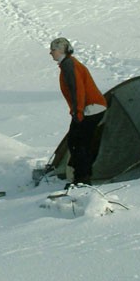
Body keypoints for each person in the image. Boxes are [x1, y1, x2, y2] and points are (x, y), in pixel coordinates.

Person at [49, 37, 108, 186]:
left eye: (53, 50)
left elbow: (77, 90)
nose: (51, 53)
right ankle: (81, 176)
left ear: (62, 50)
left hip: (91, 107)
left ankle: (82, 179)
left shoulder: (69, 65)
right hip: (89, 107)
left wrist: (78, 111)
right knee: (77, 142)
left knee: (79, 143)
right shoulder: (68, 64)